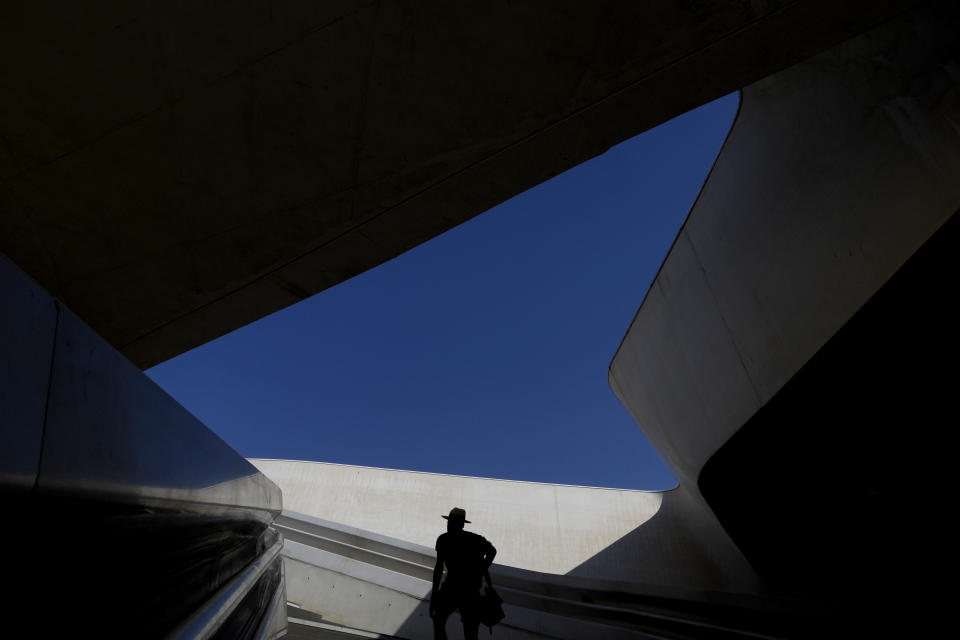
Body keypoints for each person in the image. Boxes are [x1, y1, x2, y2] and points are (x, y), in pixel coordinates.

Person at [430, 507, 497, 640]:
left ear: (460, 524)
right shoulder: (475, 539)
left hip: (452, 588)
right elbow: (492, 551)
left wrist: (434, 594)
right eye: (449, 521)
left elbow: (439, 568)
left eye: (452, 521)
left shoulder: (444, 539)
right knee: (470, 631)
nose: (449, 524)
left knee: (439, 621)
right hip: (469, 590)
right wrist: (481, 570)